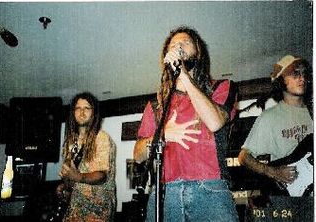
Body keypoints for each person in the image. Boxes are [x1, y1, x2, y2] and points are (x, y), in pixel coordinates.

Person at [133, 26, 239, 221]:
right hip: (164, 195)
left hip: (209, 190)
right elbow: (138, 155)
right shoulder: (156, 105)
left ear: (198, 52)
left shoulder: (221, 87)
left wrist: (184, 76)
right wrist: (163, 134)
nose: (178, 45)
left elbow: (215, 122)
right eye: (174, 45)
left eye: (185, 42)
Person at [238, 55, 313, 218]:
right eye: (294, 73)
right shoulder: (269, 118)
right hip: (289, 194)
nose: (301, 77)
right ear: (280, 81)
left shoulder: (312, 111)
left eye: (304, 73)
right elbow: (244, 157)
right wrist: (273, 172)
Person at [56, 92, 116, 222]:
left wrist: (78, 176)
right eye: (78, 108)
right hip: (75, 208)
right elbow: (71, 173)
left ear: (94, 113)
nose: (82, 112)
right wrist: (65, 186)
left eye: (87, 108)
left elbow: (102, 175)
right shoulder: (71, 141)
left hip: (97, 210)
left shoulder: (101, 137)